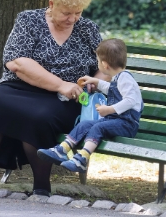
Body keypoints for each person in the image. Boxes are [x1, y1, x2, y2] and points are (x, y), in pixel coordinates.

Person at [0, 0, 106, 197]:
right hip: (20, 87)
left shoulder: (88, 30)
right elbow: (17, 62)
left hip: (64, 99)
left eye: (78, 12)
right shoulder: (29, 20)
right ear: (52, 4)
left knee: (39, 116)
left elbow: (103, 65)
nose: (73, 18)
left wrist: (96, 80)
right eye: (66, 12)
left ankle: (42, 186)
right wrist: (60, 84)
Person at [37, 38, 144, 173]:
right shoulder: (119, 78)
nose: (97, 63)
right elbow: (111, 89)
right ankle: (61, 150)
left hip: (127, 124)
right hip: (115, 121)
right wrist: (96, 81)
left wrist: (109, 109)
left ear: (104, 65)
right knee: (85, 124)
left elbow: (131, 100)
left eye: (98, 61)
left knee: (98, 127)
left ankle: (82, 159)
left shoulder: (125, 78)